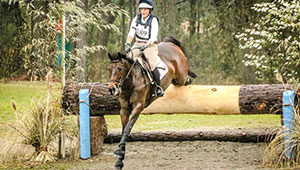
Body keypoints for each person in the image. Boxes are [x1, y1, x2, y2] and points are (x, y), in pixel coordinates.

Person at [124, 0, 164, 97]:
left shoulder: (153, 20)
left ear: (150, 10)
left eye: (145, 9)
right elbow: (131, 33)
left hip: (150, 45)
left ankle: (158, 87)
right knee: (127, 60)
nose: (143, 11)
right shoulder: (136, 19)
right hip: (138, 43)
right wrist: (128, 43)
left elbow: (154, 36)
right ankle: (124, 83)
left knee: (152, 64)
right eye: (141, 9)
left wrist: (146, 45)